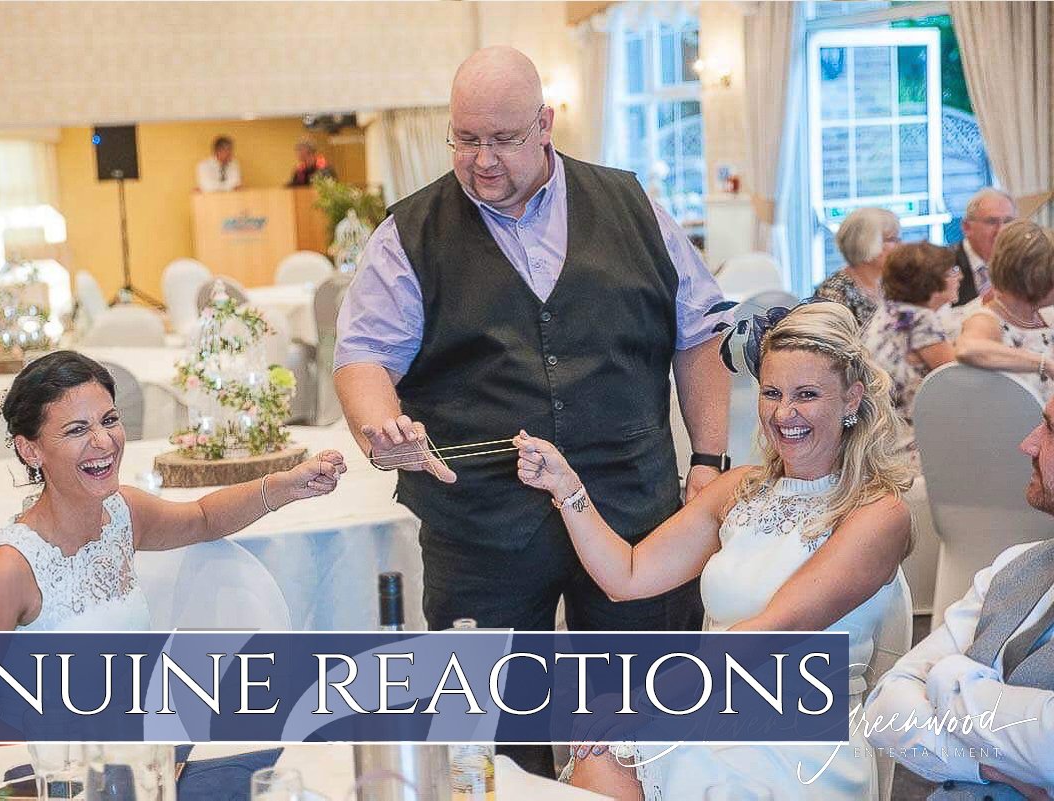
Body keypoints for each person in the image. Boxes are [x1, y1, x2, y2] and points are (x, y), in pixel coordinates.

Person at [333, 46, 732, 776]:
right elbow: (362, 356)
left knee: (640, 720)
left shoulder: (632, 206)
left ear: (545, 124)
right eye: (465, 139)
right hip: (479, 522)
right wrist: (379, 426)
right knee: (483, 734)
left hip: (630, 508)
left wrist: (708, 459)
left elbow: (702, 332)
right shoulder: (409, 233)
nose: (482, 160)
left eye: (503, 139)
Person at [516, 302, 913, 799]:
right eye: (772, 393)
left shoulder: (879, 513)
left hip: (799, 737)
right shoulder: (739, 490)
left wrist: (645, 701)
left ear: (851, 399)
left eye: (806, 395)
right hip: (710, 707)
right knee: (600, 755)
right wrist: (566, 486)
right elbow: (627, 577)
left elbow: (774, 630)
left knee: (607, 755)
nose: (783, 414)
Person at [0, 351, 345, 631]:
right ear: (30, 449)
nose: (103, 442)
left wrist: (284, 485)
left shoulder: (122, 513)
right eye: (77, 430)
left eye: (109, 420)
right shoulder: (9, 567)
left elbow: (203, 519)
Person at [864, 395, 1054, 799]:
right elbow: (884, 706)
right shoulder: (1015, 565)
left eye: (1051, 429)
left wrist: (950, 677)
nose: (1029, 444)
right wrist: (987, 767)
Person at [865, 242, 961, 460]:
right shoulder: (921, 320)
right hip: (907, 446)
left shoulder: (890, 311)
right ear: (932, 281)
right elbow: (961, 380)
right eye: (952, 271)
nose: (959, 277)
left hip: (880, 438)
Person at [955, 220, 1054, 403]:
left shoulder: (1044, 315)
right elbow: (967, 349)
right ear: (1036, 277)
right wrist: (1044, 363)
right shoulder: (986, 319)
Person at [815, 207, 901, 330]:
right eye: (893, 239)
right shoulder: (834, 292)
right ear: (868, 243)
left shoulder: (892, 283)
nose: (900, 246)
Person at [952, 188, 1018, 307]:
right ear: (967, 227)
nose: (1001, 230)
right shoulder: (945, 265)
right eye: (991, 221)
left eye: (1008, 221)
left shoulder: (1023, 264)